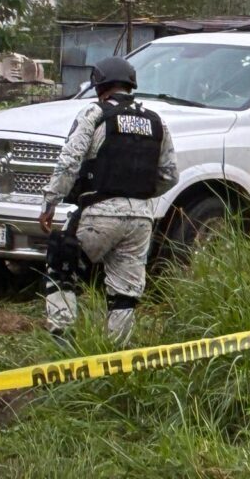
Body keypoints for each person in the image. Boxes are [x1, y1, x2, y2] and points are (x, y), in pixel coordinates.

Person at [38, 57, 178, 345]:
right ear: (131, 84)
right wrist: (137, 195)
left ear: (99, 85)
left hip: (99, 213)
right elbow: (169, 175)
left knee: (62, 265)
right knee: (124, 294)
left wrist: (51, 201)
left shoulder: (94, 113)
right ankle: (116, 360)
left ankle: (62, 346)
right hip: (141, 219)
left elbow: (69, 161)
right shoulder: (156, 121)